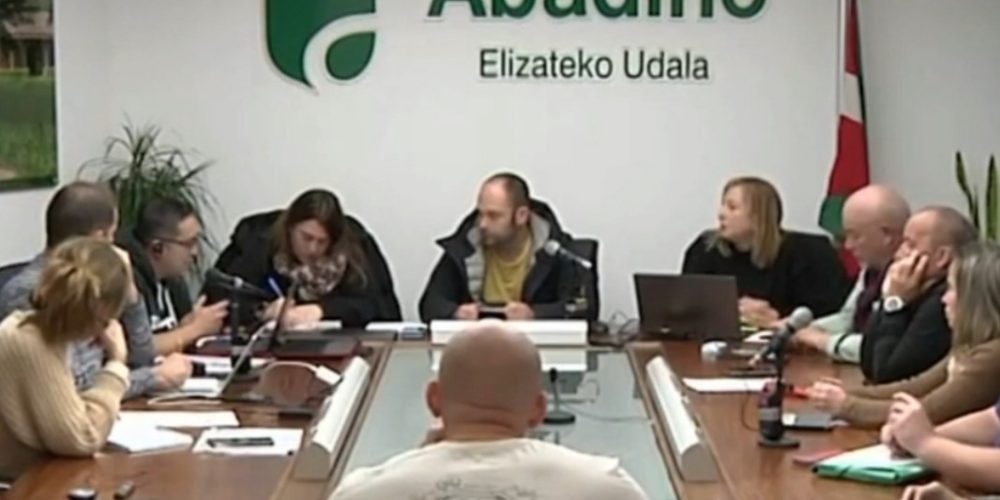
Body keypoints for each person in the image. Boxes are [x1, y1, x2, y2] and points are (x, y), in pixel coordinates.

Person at [328, 320, 648, 500]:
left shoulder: (363, 492)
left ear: (434, 399)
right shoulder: (608, 488)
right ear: (539, 409)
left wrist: (419, 458)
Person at [0, 182, 190, 398]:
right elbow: (73, 388)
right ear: (98, 238)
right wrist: (152, 378)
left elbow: (141, 358)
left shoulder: (95, 284)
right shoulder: (32, 291)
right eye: (111, 236)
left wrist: (130, 294)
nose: (115, 246)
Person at [807, 241, 1000, 429]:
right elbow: (915, 388)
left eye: (951, 289)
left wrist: (845, 405)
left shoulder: (992, 356)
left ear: (975, 300)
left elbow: (927, 411)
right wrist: (845, 393)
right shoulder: (970, 347)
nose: (944, 299)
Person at [0, 238, 132, 480]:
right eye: (106, 321)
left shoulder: (44, 334)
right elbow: (83, 437)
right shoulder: (30, 342)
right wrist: (116, 364)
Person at [681, 176, 851, 328]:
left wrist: (778, 317)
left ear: (758, 216)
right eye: (723, 205)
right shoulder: (706, 248)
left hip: (794, 345)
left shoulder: (810, 253)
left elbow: (835, 314)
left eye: (732, 207)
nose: (721, 214)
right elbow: (687, 306)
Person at [224, 188, 401, 328]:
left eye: (322, 241)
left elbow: (380, 307)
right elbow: (223, 300)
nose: (312, 249)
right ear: (290, 229)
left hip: (341, 347)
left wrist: (322, 310)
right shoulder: (259, 243)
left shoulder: (355, 247)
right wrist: (262, 311)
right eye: (306, 238)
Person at [419, 173, 583, 322]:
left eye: (494, 216)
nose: (483, 224)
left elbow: (582, 309)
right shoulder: (465, 246)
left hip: (538, 343)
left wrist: (534, 314)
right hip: (478, 340)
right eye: (481, 214)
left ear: (521, 216)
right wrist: (456, 312)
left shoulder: (555, 251)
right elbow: (430, 305)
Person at [858, 206, 976, 383]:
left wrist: (894, 305)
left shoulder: (945, 301)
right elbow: (868, 364)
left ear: (942, 257)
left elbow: (887, 374)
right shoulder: (915, 292)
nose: (898, 253)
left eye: (910, 244)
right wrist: (889, 298)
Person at [793, 185, 910, 363]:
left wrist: (824, 341)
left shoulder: (913, 279)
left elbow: (883, 346)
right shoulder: (871, 269)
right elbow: (848, 319)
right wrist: (802, 330)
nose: (848, 246)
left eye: (855, 236)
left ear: (886, 235)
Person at [118, 197, 228, 354]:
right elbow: (135, 349)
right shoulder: (127, 280)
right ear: (157, 248)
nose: (195, 252)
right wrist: (195, 329)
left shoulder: (174, 280)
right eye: (189, 244)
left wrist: (188, 323)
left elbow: (173, 333)